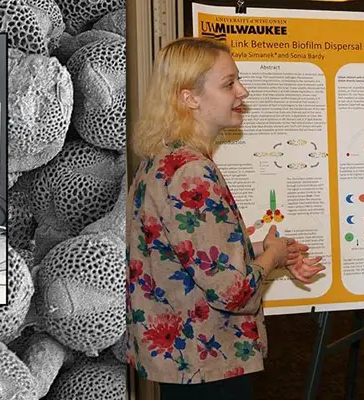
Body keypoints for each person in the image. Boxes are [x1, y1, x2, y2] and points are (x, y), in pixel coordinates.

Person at [125, 37, 324, 399]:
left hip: (184, 360)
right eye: (229, 83)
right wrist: (272, 257)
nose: (243, 92)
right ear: (190, 98)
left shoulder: (162, 160)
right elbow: (234, 293)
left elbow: (189, 256)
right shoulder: (192, 172)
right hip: (207, 361)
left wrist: (265, 249)